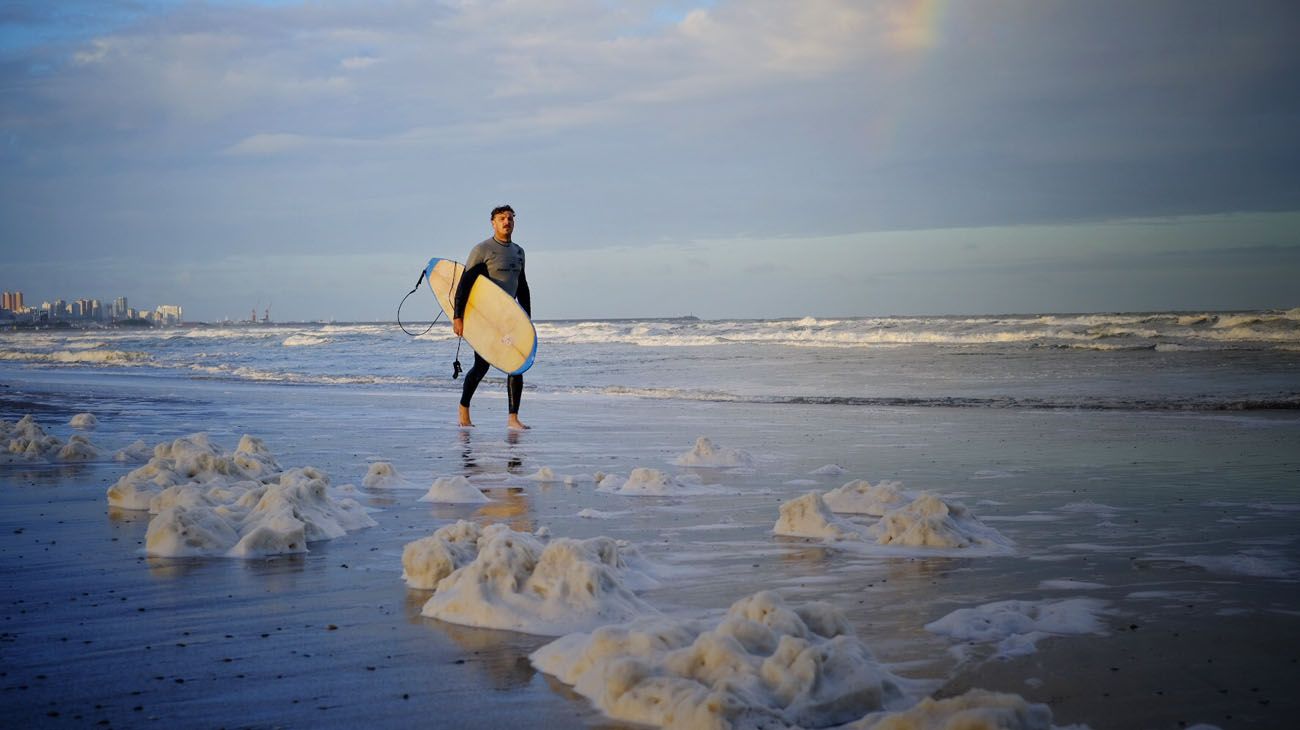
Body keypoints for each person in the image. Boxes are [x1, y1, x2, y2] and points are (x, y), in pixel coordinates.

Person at [452, 204, 531, 429]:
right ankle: (463, 409)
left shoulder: (519, 252)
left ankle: (513, 419)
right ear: (493, 223)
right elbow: (464, 285)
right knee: (481, 366)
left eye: (510, 218)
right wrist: (458, 317)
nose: (507, 221)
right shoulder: (482, 250)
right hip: (486, 319)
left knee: (517, 364)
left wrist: (527, 320)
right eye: (501, 218)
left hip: (509, 319)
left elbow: (522, 286)